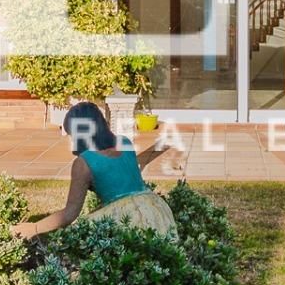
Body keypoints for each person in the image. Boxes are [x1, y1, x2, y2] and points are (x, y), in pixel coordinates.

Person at [12, 101, 179, 239]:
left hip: (124, 217)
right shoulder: (125, 142)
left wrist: (34, 228)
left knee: (75, 241)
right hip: (152, 208)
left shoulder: (83, 163)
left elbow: (69, 214)